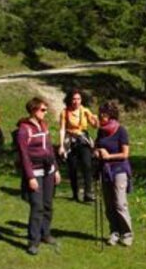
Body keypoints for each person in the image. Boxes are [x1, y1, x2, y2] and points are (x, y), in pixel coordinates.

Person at [16, 97, 61, 255]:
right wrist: (30, 177)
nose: (45, 112)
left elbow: (49, 148)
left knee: (48, 204)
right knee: (37, 206)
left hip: (48, 171)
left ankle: (45, 233)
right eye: (43, 110)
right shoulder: (24, 129)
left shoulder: (43, 125)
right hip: (34, 172)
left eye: (46, 109)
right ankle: (33, 241)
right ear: (33, 110)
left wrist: (55, 169)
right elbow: (23, 155)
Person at [93, 102, 133, 247]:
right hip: (105, 170)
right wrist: (97, 152)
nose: (99, 117)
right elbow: (96, 147)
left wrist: (108, 156)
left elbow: (125, 154)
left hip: (119, 169)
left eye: (102, 114)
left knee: (120, 202)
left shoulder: (121, 131)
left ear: (110, 116)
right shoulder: (101, 131)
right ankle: (114, 231)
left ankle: (127, 233)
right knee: (109, 203)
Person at [58, 88, 97, 202]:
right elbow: (62, 129)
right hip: (71, 140)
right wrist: (61, 146)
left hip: (83, 139)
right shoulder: (64, 112)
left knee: (87, 165)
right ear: (70, 100)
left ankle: (88, 193)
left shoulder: (85, 111)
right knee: (72, 167)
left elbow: (94, 125)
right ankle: (75, 193)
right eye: (74, 99)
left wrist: (95, 119)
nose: (76, 101)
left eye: (78, 99)